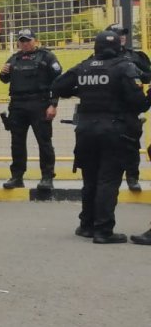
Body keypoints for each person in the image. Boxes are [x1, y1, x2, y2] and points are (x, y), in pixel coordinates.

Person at [53, 31, 149, 243]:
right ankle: (103, 230)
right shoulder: (124, 67)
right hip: (114, 130)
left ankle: (86, 225)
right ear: (118, 47)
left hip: (86, 129)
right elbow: (139, 104)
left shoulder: (84, 66)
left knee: (90, 179)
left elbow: (58, 86)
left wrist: (81, 90)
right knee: (108, 179)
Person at [0, 29, 61, 190]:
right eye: (22, 41)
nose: (25, 43)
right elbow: (4, 79)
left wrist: (53, 104)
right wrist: (3, 72)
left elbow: (58, 81)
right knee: (17, 142)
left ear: (35, 41)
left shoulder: (47, 57)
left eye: (28, 40)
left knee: (44, 142)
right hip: (18, 105)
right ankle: (17, 177)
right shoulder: (14, 58)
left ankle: (47, 177)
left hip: (39, 104)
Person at [107, 23, 150, 192]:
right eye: (118, 34)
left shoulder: (136, 57)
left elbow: (147, 77)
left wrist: (134, 72)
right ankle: (110, 177)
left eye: (124, 33)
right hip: (109, 107)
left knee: (132, 145)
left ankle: (133, 177)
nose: (122, 36)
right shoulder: (101, 56)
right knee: (109, 145)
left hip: (131, 107)